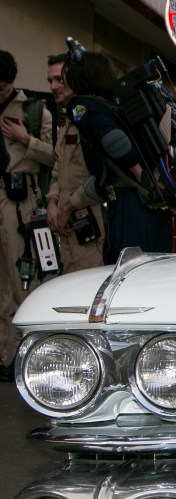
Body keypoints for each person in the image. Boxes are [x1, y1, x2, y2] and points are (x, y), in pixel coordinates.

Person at [61, 51, 172, 264]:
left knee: (126, 277)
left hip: (130, 204)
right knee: (155, 275)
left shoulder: (81, 105)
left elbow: (114, 140)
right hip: (155, 207)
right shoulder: (117, 105)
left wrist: (140, 176)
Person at [0, 49, 53, 381]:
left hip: (18, 202)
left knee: (20, 282)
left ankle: (15, 357)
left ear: (12, 83)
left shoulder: (34, 110)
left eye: (2, 87)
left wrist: (26, 139)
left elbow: (55, 156)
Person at [44, 53, 104, 273]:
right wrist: (51, 201)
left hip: (92, 224)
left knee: (88, 293)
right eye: (50, 80)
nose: (54, 86)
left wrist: (69, 207)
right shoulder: (69, 120)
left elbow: (102, 177)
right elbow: (59, 168)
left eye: (60, 79)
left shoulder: (91, 119)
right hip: (65, 226)